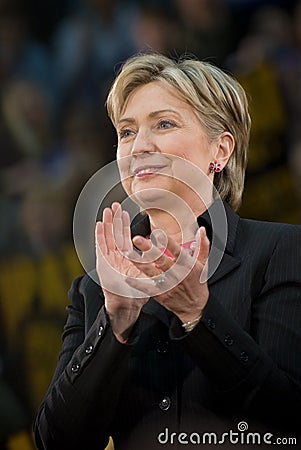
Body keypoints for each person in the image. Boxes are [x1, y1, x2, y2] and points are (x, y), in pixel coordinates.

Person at [34, 53, 301, 450]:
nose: (140, 146)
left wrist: (198, 315)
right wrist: (115, 323)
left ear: (220, 151)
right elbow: (55, 441)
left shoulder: (281, 251)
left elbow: (289, 419)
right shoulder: (94, 291)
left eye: (164, 124)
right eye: (126, 132)